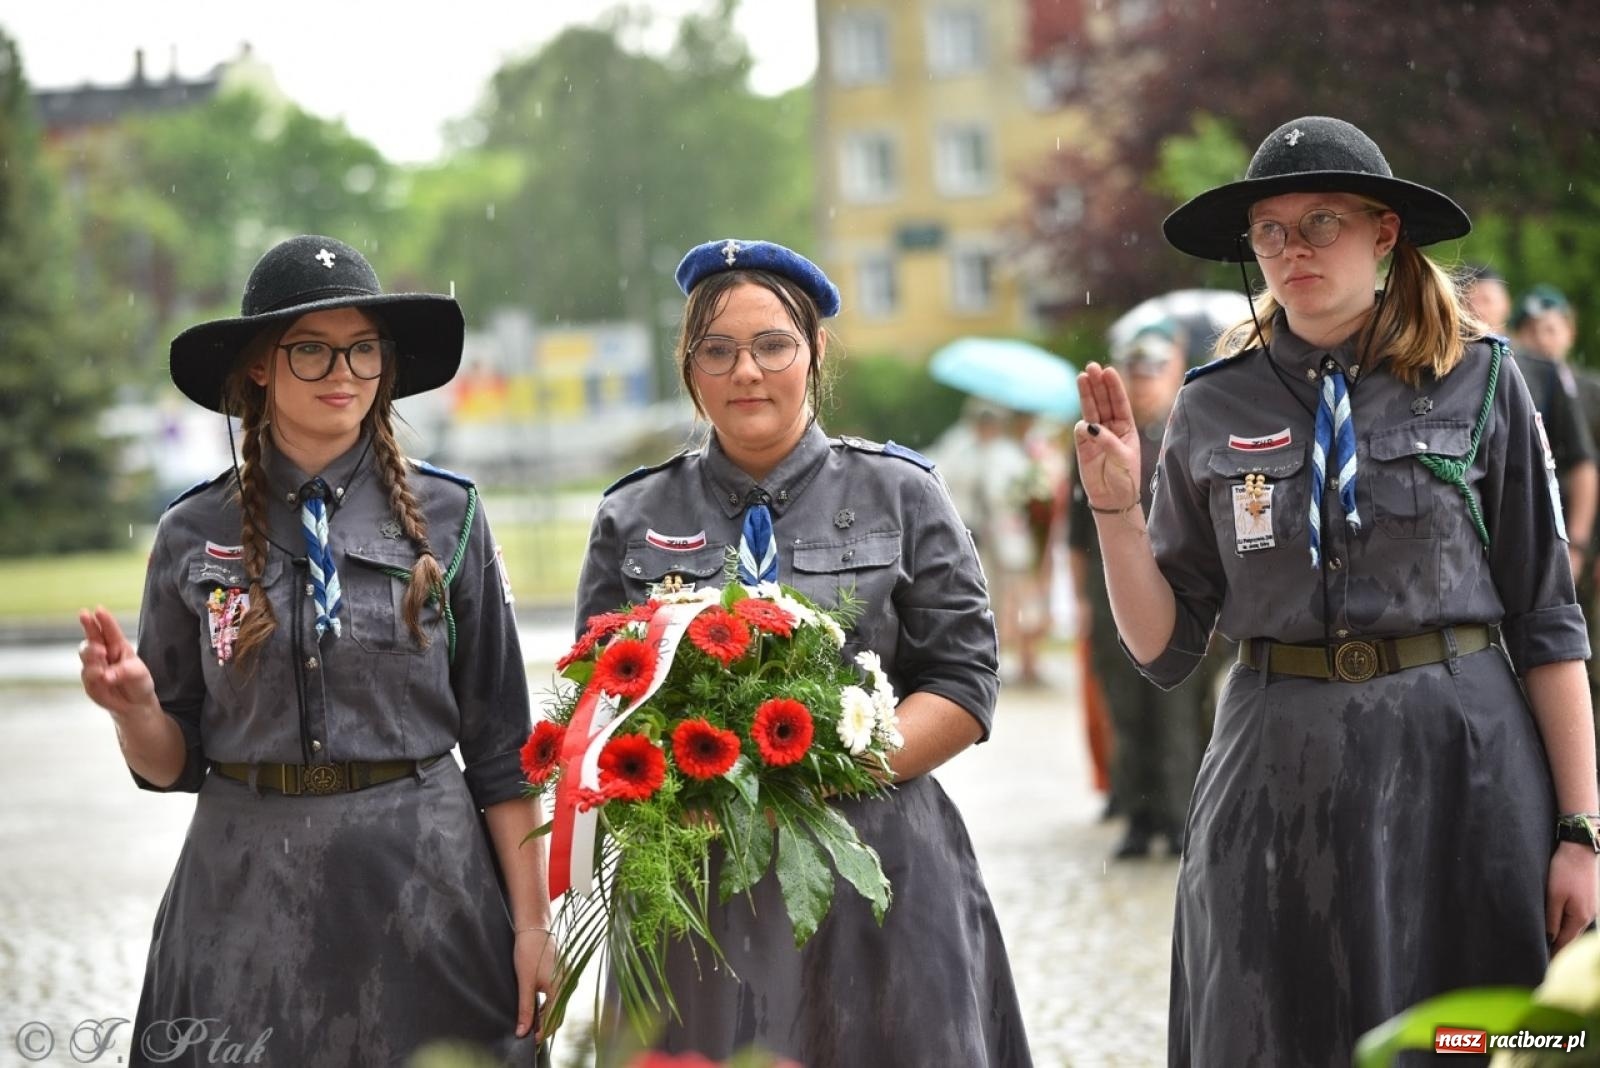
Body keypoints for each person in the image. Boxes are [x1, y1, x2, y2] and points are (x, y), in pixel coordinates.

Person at [1075, 116, 1598, 1065]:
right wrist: (1116, 511)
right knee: (1277, 1032)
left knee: (1460, 1039)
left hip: (1461, 773)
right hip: (1276, 774)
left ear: (1384, 232)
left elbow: (1548, 620)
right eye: (1270, 231)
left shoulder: (1483, 381)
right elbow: (1164, 647)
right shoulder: (1212, 402)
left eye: (1321, 221)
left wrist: (1581, 831)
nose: (1292, 249)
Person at [76, 235, 556, 1066]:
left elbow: (503, 749)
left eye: (363, 348)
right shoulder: (192, 530)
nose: (344, 371)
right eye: (312, 349)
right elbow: (169, 763)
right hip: (243, 901)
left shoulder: (452, 516)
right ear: (260, 365)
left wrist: (532, 925)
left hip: (428, 890)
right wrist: (136, 711)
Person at [573, 238, 1032, 1066]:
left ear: (815, 351)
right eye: (717, 350)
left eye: (771, 345)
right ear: (689, 366)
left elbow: (965, 682)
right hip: (698, 884)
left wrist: (823, 774)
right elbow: (598, 708)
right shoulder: (632, 515)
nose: (746, 371)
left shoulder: (902, 494)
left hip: (877, 868)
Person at [1068, 319, 1208, 859]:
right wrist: (1082, 601)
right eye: (1137, 372)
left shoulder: (1188, 434)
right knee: (1125, 709)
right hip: (1112, 595)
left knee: (1178, 712)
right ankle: (1137, 814)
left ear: (1174, 372)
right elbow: (1076, 536)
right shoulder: (1097, 438)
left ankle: (1179, 815)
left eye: (1154, 371)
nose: (1145, 383)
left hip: (1180, 592)